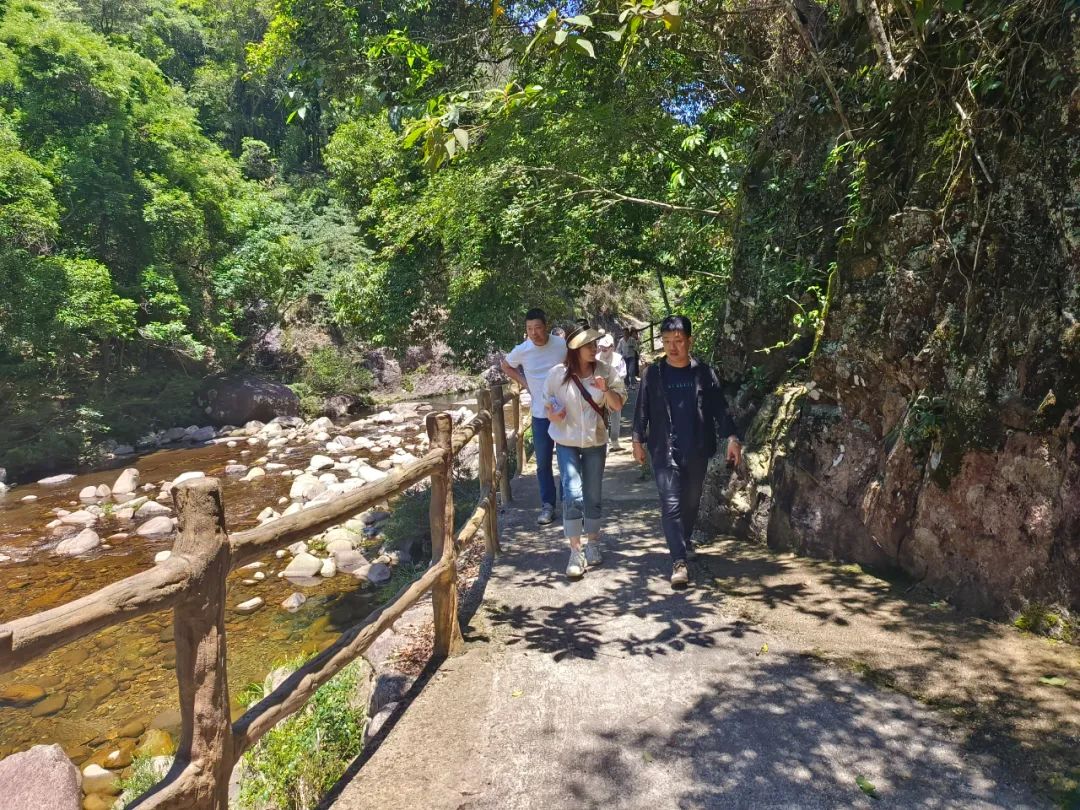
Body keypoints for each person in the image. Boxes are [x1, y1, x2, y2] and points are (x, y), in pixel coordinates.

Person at [631, 315, 741, 588]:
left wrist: (732, 438)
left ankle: (684, 539)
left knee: (691, 502)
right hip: (664, 449)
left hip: (697, 448)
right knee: (671, 504)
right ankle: (679, 561)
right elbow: (642, 408)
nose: (672, 347)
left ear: (689, 341)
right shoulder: (653, 374)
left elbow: (720, 408)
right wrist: (637, 440)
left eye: (678, 341)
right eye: (667, 341)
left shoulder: (704, 373)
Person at [543, 322, 627, 578]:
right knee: (572, 493)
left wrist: (605, 389)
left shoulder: (606, 371)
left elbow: (617, 405)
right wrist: (553, 415)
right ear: (574, 348)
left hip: (595, 441)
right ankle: (575, 551)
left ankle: (593, 543)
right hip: (566, 440)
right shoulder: (557, 374)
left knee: (592, 494)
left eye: (594, 344)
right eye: (587, 345)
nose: (593, 348)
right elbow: (547, 404)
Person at [501, 308, 567, 525]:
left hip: (564, 412)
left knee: (567, 459)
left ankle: (568, 502)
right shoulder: (523, 350)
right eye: (529, 329)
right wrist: (525, 383)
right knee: (543, 463)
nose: (534, 333)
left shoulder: (560, 345)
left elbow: (573, 364)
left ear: (546, 326)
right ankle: (548, 505)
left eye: (538, 327)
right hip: (540, 414)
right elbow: (506, 365)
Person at [596, 334, 626, 452]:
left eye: (606, 346)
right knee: (601, 417)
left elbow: (623, 374)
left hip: (615, 390)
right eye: (601, 346)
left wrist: (613, 379)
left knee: (616, 416)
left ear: (612, 347)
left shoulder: (619, 358)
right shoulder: (596, 358)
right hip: (599, 392)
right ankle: (605, 442)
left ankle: (615, 440)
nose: (603, 348)